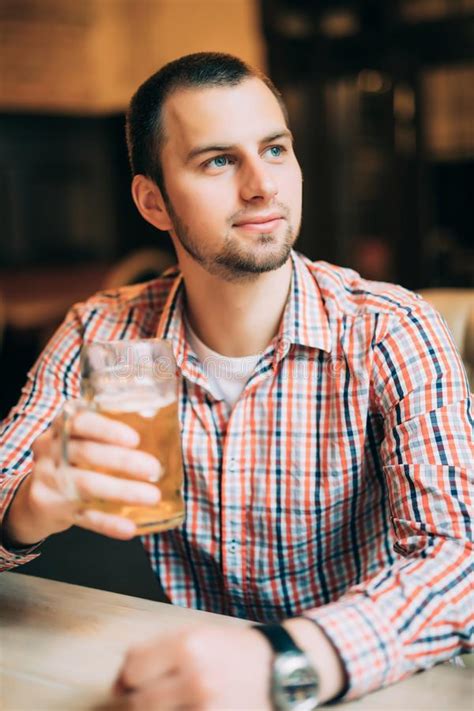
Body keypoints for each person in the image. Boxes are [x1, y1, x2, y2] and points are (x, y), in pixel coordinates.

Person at [1, 52, 472, 710]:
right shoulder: (102, 328)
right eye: (218, 160)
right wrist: (21, 513)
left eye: (275, 149)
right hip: (194, 678)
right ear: (153, 202)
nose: (262, 186)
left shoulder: (391, 327)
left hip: (364, 683)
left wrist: (284, 656)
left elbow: (461, 561)